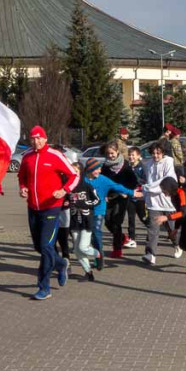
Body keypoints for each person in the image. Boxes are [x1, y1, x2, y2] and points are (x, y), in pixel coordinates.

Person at [18, 125, 80, 300]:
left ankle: (44, 287)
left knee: (46, 247)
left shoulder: (55, 155)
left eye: (39, 138)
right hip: (33, 208)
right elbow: (21, 177)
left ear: (45, 139)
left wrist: (64, 190)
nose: (36, 141)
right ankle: (61, 264)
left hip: (52, 207)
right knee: (40, 247)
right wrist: (23, 188)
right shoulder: (27, 156)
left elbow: (74, 175)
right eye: (33, 138)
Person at [84, 157, 140, 265]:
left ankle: (99, 257)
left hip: (99, 210)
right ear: (89, 170)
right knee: (88, 234)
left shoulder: (103, 179)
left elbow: (117, 186)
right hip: (86, 211)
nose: (99, 171)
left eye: (99, 169)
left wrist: (131, 193)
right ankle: (95, 252)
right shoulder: (83, 180)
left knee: (96, 232)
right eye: (96, 169)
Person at [141, 139, 178, 265]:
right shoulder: (148, 164)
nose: (156, 156)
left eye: (158, 153)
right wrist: (146, 195)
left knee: (171, 229)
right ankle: (150, 254)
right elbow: (148, 181)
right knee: (153, 229)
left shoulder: (168, 162)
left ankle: (177, 244)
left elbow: (167, 180)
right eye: (153, 153)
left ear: (163, 153)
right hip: (154, 202)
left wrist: (149, 187)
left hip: (167, 202)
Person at [101, 140, 139, 257]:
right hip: (110, 197)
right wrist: (104, 195)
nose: (110, 156)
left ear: (117, 152)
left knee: (117, 222)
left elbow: (133, 182)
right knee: (107, 221)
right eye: (108, 154)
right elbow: (103, 182)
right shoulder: (105, 166)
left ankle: (117, 249)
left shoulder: (125, 165)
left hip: (122, 197)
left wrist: (127, 192)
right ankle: (123, 238)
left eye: (112, 153)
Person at [66, 168, 101, 281]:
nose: (74, 173)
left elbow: (97, 200)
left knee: (83, 247)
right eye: (72, 171)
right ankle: (88, 272)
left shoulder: (87, 186)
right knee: (77, 250)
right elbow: (64, 201)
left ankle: (97, 254)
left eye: (76, 171)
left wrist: (86, 203)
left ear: (81, 173)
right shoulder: (68, 188)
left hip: (86, 220)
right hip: (74, 221)